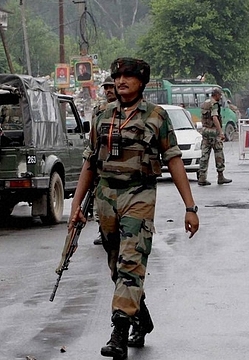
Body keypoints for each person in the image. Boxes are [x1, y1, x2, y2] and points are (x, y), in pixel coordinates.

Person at [69, 58, 199, 359]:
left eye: (128, 76)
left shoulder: (156, 116)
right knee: (117, 265)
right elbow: (90, 161)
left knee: (131, 261)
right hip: (106, 196)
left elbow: (174, 159)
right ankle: (141, 317)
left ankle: (118, 331)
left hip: (139, 194)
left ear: (142, 82)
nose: (121, 80)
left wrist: (189, 207)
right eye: (117, 76)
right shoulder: (101, 114)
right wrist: (76, 205)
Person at [91, 76, 117, 246]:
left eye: (110, 87)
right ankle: (103, 231)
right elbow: (93, 138)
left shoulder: (126, 108)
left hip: (120, 162)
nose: (108, 91)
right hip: (101, 161)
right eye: (105, 88)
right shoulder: (99, 110)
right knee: (100, 201)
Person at [198, 87, 232, 186]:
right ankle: (220, 176)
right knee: (219, 154)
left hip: (205, 131)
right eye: (220, 95)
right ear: (216, 95)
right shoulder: (214, 104)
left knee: (204, 154)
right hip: (213, 132)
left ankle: (202, 178)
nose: (220, 97)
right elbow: (215, 117)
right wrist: (221, 132)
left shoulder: (205, 103)